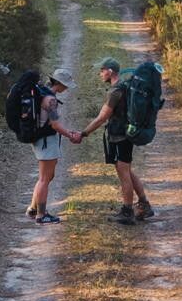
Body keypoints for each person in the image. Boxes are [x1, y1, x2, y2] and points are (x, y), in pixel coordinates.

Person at [80, 57, 153, 224]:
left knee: (123, 173)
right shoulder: (125, 87)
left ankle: (127, 212)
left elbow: (102, 118)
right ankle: (144, 204)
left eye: (102, 70)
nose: (100, 73)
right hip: (126, 135)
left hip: (121, 136)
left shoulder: (115, 91)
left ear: (110, 71)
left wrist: (83, 133)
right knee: (126, 170)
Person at [26, 67, 81, 223]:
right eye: (66, 85)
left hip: (41, 140)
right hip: (46, 142)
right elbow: (55, 125)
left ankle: (33, 208)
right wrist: (71, 135)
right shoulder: (51, 100)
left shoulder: (43, 93)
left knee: (47, 176)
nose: (66, 88)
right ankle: (41, 215)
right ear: (60, 83)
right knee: (44, 178)